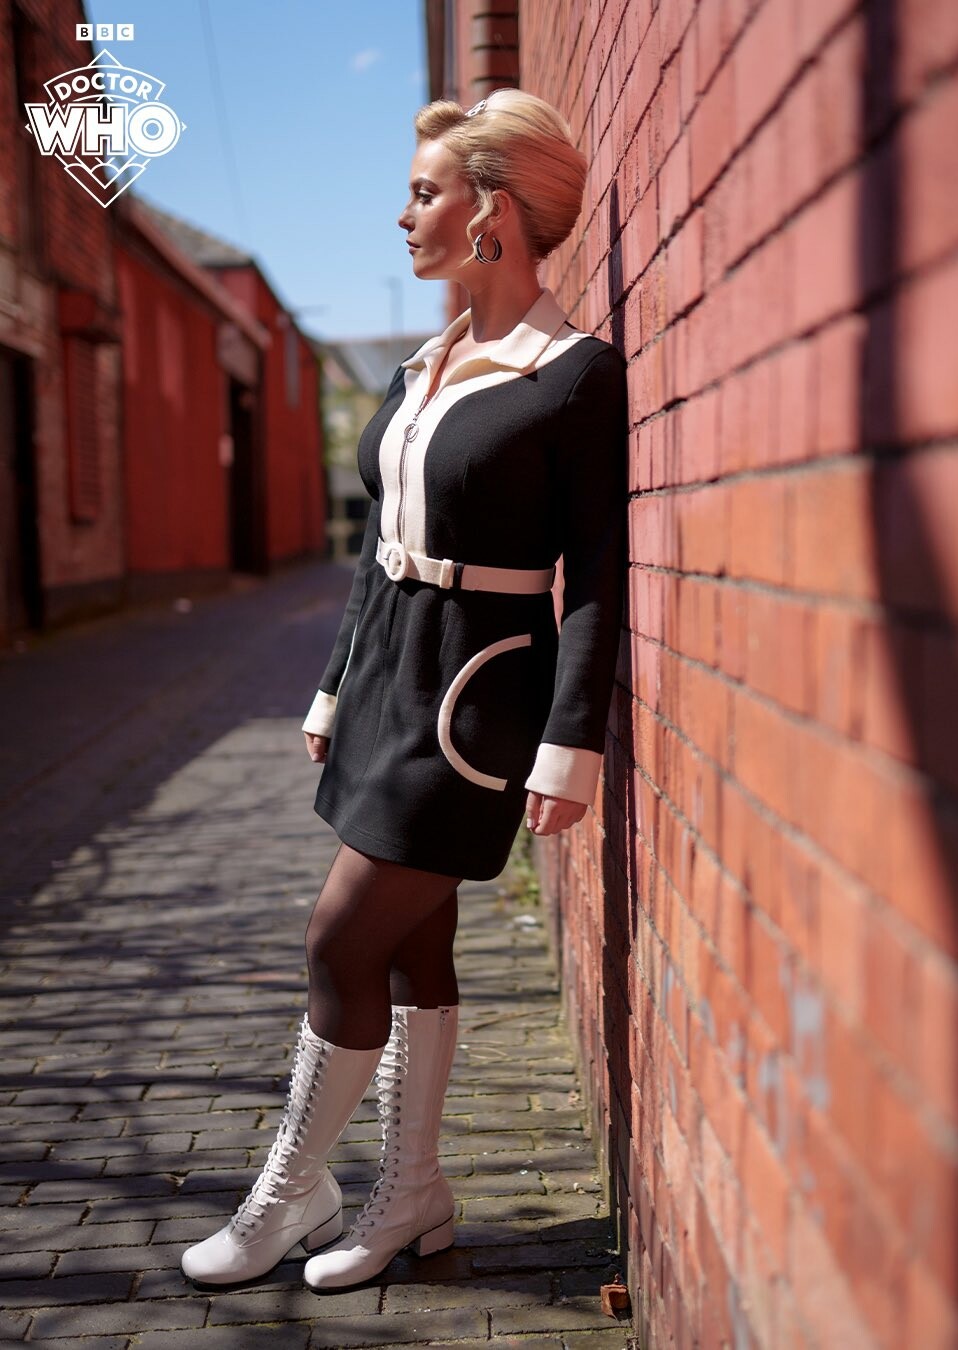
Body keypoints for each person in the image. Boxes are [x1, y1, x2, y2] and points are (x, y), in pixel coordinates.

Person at [180, 88, 628, 1293]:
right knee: (412, 947)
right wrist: (332, 690)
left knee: (339, 939)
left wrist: (570, 744)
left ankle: (289, 1192)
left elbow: (597, 576)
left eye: (424, 192)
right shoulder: (422, 367)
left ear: (492, 211)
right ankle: (412, 1196)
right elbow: (380, 550)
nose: (404, 214)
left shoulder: (574, 376)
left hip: (473, 702)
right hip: (384, 677)